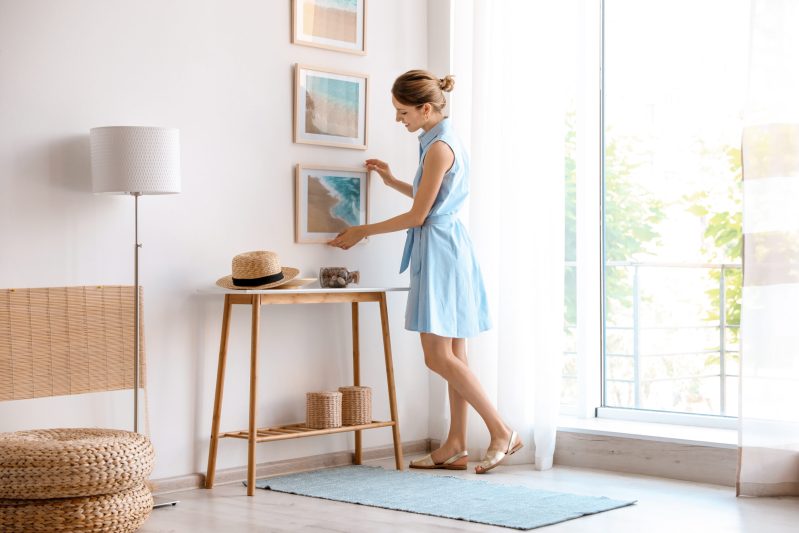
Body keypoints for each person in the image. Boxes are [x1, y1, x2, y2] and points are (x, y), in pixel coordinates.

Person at [328, 69, 522, 474]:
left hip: (441, 252)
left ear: (427, 108)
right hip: (448, 247)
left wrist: (362, 230)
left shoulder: (438, 148)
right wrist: (392, 180)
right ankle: (454, 445)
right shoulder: (438, 142)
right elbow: (432, 200)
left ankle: (502, 430)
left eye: (403, 112)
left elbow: (419, 216)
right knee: (454, 355)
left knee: (438, 356)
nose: (399, 119)